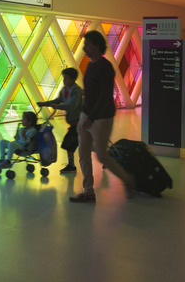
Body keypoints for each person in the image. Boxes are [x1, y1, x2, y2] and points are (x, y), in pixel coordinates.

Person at [70, 31, 136, 203]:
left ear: (97, 45)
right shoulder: (90, 65)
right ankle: (88, 191)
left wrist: (91, 117)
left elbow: (105, 95)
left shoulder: (105, 67)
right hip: (87, 115)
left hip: (101, 117)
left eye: (87, 44)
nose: (84, 47)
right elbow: (91, 93)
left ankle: (128, 180)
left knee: (101, 155)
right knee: (83, 152)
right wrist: (84, 113)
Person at [38, 67, 82, 174]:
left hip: (80, 123)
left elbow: (72, 105)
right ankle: (107, 157)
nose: (64, 80)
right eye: (63, 78)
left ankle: (71, 166)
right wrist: (45, 104)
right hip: (75, 123)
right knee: (86, 144)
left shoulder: (76, 90)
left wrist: (58, 107)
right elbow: (58, 101)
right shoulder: (64, 90)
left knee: (69, 144)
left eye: (66, 78)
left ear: (72, 79)